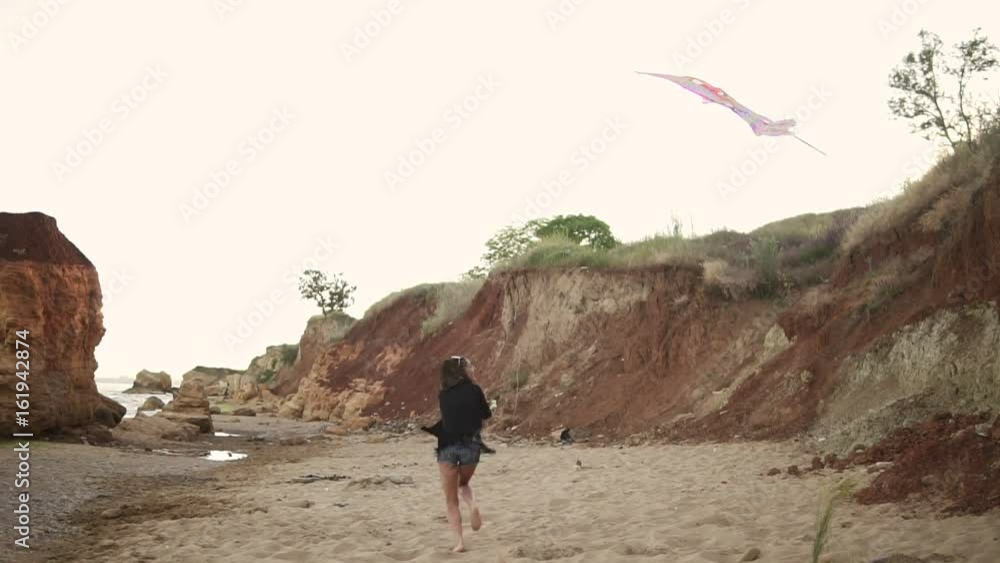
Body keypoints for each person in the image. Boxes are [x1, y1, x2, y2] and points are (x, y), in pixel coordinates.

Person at [430, 355, 492, 553]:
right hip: (471, 446)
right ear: (462, 370)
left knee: (450, 499)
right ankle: (472, 504)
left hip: (447, 446)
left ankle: (459, 543)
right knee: (463, 484)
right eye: (469, 366)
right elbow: (486, 415)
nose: (473, 368)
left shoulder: (443, 394)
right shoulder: (475, 389)